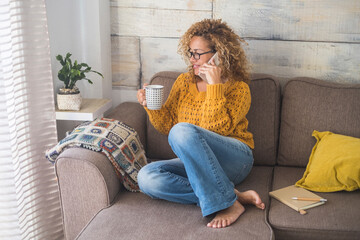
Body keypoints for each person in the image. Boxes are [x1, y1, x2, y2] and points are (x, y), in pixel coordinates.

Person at [136, 18, 265, 229]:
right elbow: (167, 126)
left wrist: (215, 86)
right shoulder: (184, 82)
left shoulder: (238, 88)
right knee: (146, 178)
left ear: (219, 54)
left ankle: (224, 201)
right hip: (198, 163)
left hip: (235, 159)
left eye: (197, 53)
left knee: (181, 131)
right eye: (190, 52)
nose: (192, 59)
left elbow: (215, 129)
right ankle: (231, 197)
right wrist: (150, 106)